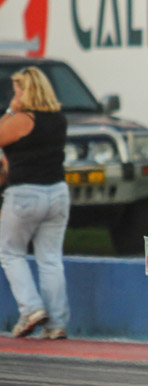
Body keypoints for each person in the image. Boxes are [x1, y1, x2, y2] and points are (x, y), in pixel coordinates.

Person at [0, 66, 70, 339]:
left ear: (26, 91)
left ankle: (31, 309)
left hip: (25, 194)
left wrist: (10, 110)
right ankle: (57, 323)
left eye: (18, 90)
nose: (15, 94)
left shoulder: (22, 119)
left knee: (10, 253)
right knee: (50, 259)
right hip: (58, 193)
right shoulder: (59, 119)